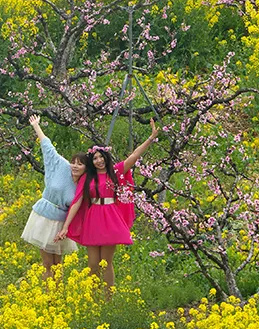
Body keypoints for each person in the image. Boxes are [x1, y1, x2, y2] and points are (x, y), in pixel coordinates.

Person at [56, 121, 159, 290]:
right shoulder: (87, 177)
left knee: (106, 263)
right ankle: (93, 299)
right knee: (93, 264)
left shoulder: (116, 171)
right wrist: (66, 227)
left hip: (110, 217)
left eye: (101, 157)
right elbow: (78, 201)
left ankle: (108, 298)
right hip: (93, 218)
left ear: (106, 157)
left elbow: (134, 156)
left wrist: (151, 138)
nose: (98, 161)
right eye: (95, 158)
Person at [21, 114, 87, 278]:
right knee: (47, 263)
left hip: (60, 223)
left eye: (80, 164)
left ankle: (57, 295)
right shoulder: (62, 166)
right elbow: (47, 147)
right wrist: (36, 126)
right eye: (74, 162)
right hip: (44, 218)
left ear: (86, 167)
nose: (75, 166)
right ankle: (49, 295)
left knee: (58, 264)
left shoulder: (84, 185)